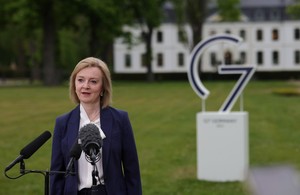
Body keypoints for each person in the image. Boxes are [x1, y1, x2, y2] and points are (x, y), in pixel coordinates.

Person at [50, 57, 142, 195]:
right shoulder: (62, 123)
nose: (85, 86)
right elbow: (56, 173)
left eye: (93, 81)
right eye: (80, 80)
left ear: (103, 88)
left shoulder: (120, 119)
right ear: (74, 85)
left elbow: (132, 171)